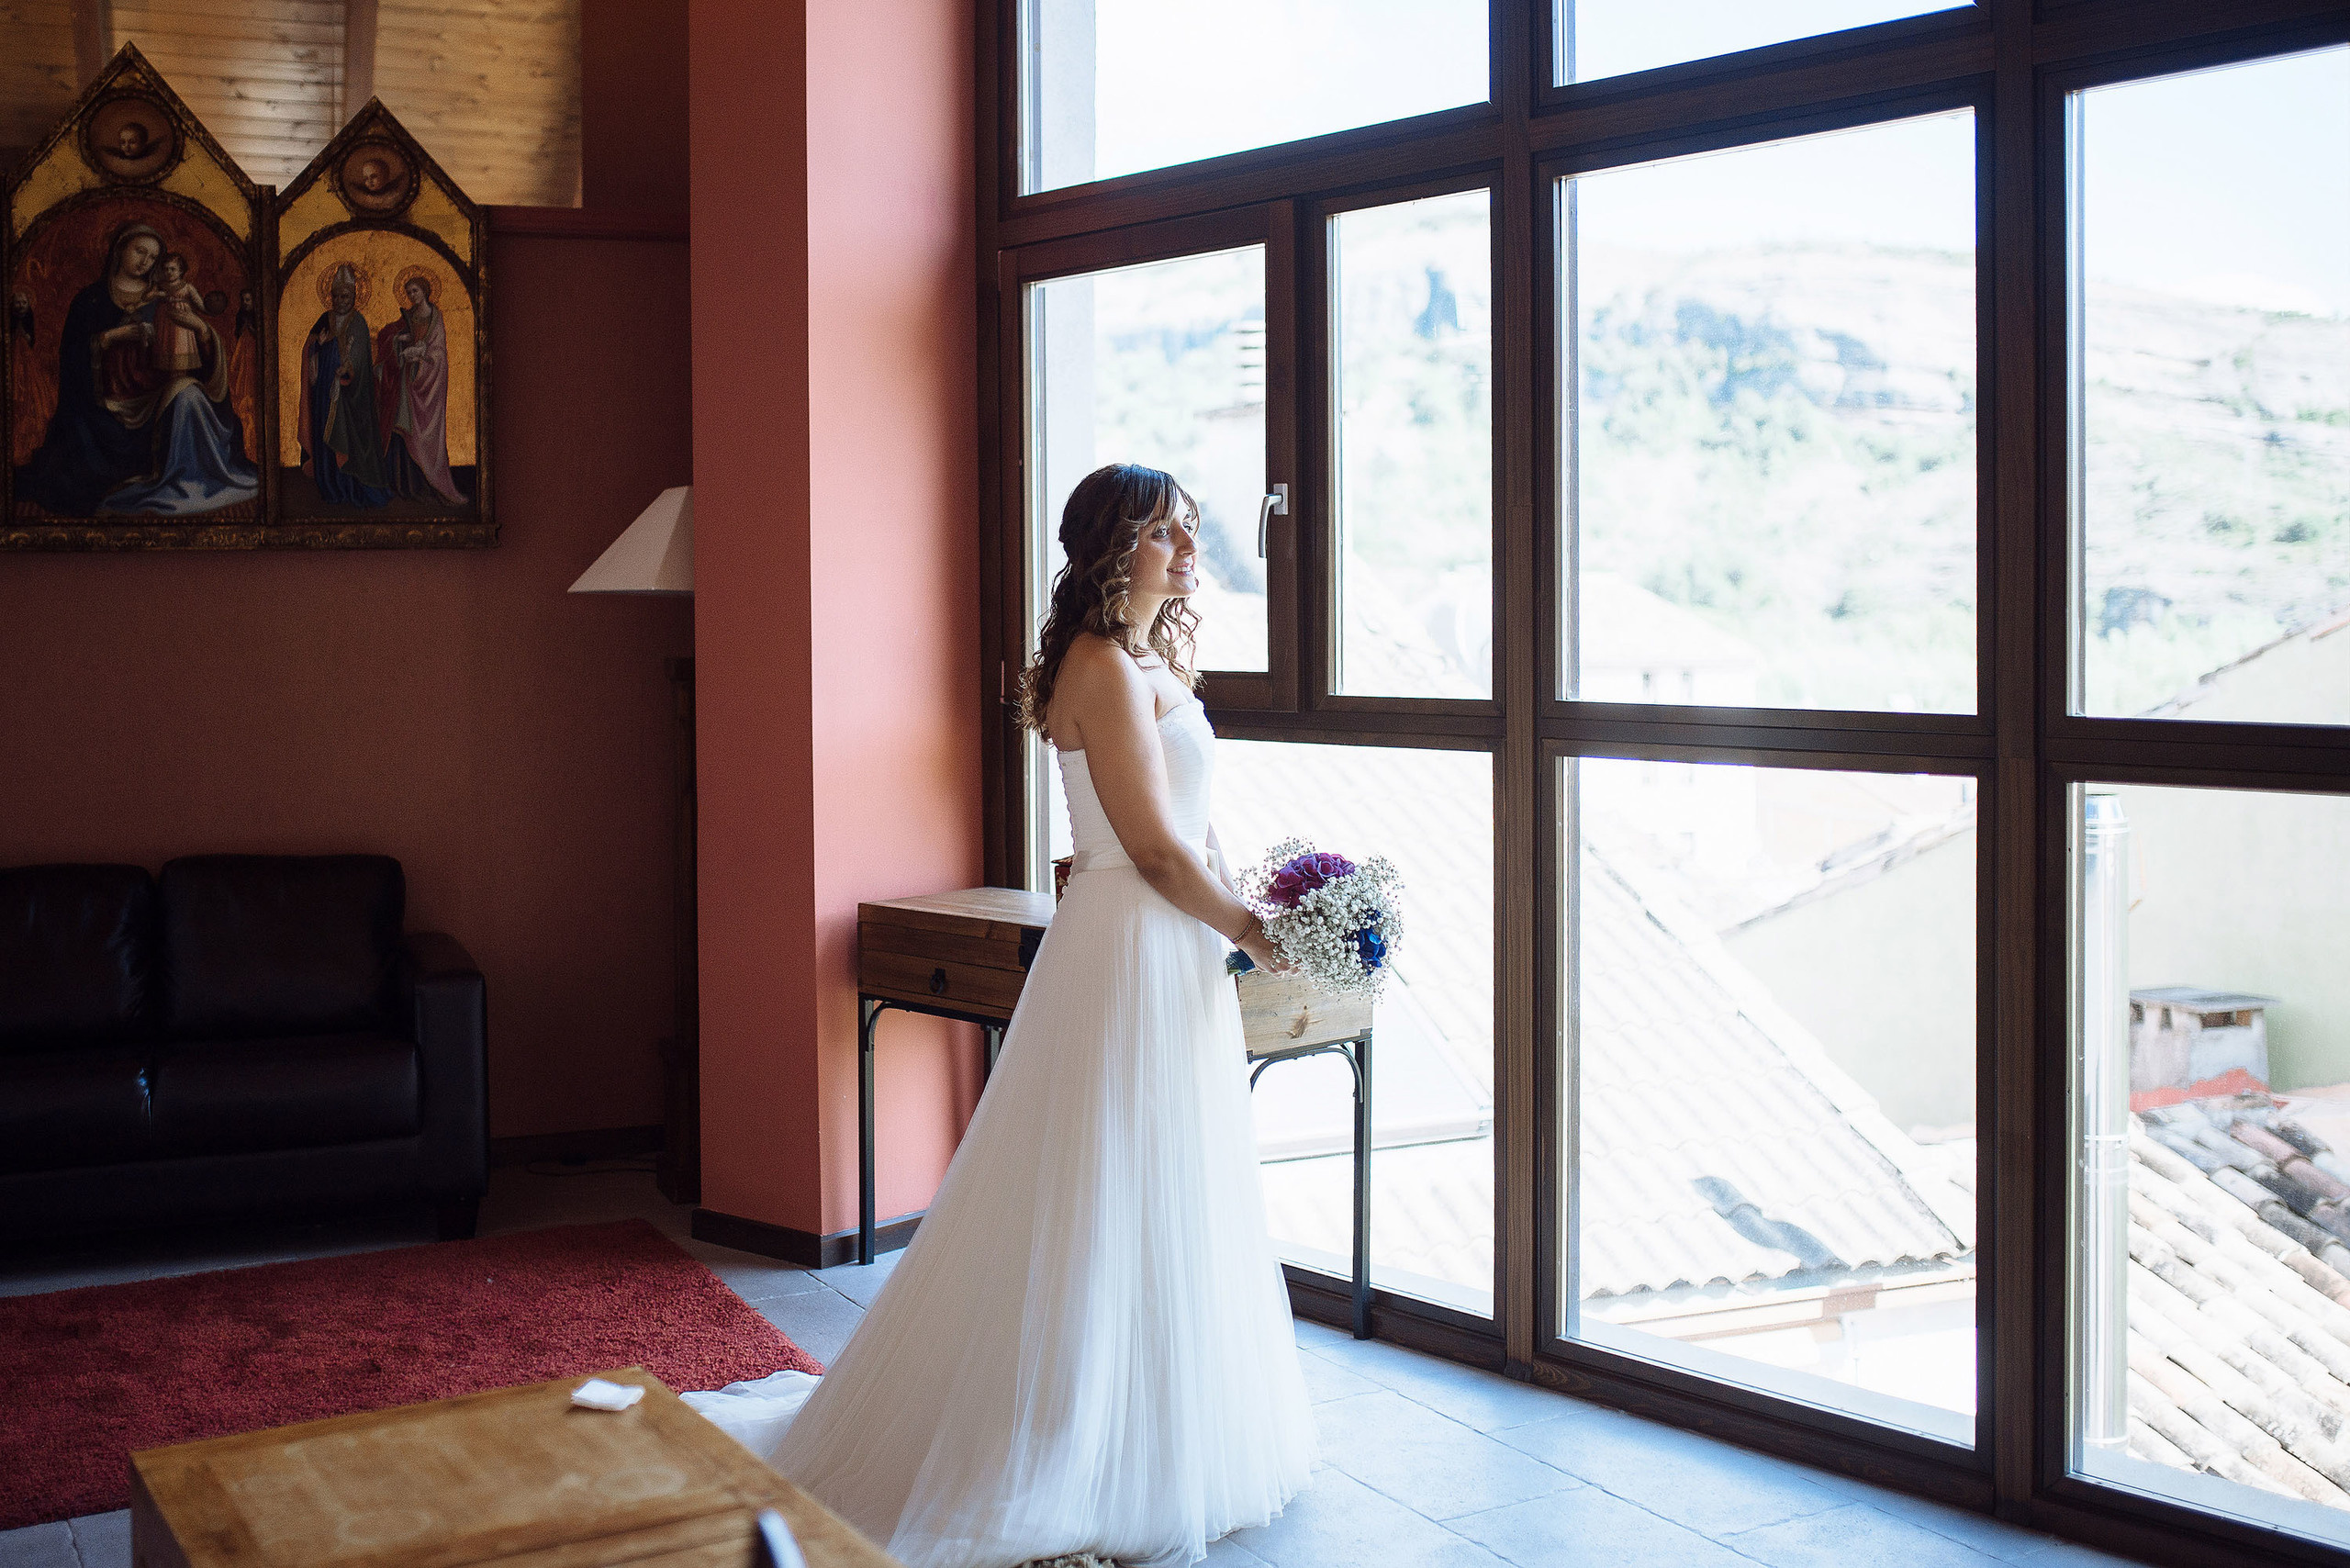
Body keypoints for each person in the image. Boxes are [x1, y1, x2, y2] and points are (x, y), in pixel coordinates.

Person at [686, 463, 1314, 1568]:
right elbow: (1153, 850)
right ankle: (1070, 1442)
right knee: (1100, 1181)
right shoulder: (1098, 668)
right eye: (1170, 534)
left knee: (1165, 1177)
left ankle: (1158, 1430)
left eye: (1189, 533)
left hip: (1169, 949)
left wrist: (1247, 908)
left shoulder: (1141, 659)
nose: (1188, 552)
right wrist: (1258, 936)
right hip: (1126, 944)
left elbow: (1192, 835)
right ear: (1119, 547)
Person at [12, 221, 258, 516]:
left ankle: (193, 477)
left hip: (155, 393)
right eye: (139, 251)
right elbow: (72, 359)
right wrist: (113, 337)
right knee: (75, 450)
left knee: (191, 395)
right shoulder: (91, 299)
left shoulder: (162, 297)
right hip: (103, 406)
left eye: (153, 257)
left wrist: (202, 330)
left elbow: (192, 350)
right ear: (120, 250)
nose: (145, 262)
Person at [298, 263, 390, 506]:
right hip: (323, 391)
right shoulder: (323, 319)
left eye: (345, 296)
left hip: (349, 394)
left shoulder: (357, 321)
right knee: (323, 435)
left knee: (348, 438)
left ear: (354, 297)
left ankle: (348, 486)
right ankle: (329, 486)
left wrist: (348, 371)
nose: (340, 301)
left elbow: (360, 356)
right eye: (336, 296)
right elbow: (308, 349)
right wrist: (318, 344)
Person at [375, 273, 464, 505]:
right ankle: (402, 485)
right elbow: (389, 335)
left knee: (420, 431)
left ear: (425, 290)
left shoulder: (436, 318)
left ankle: (427, 484)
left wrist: (423, 354)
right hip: (405, 381)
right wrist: (399, 342)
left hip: (425, 381)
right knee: (400, 427)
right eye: (409, 292)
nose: (412, 296)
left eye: (415, 291)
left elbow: (440, 353)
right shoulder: (408, 317)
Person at [145, 252, 205, 374]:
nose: (169, 272)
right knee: (166, 349)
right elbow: (146, 297)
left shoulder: (187, 287)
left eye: (173, 269)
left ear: (181, 271)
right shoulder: (160, 286)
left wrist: (208, 309)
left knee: (180, 347)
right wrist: (156, 294)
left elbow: (199, 303)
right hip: (163, 322)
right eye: (166, 269)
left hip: (182, 323)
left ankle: (181, 377)